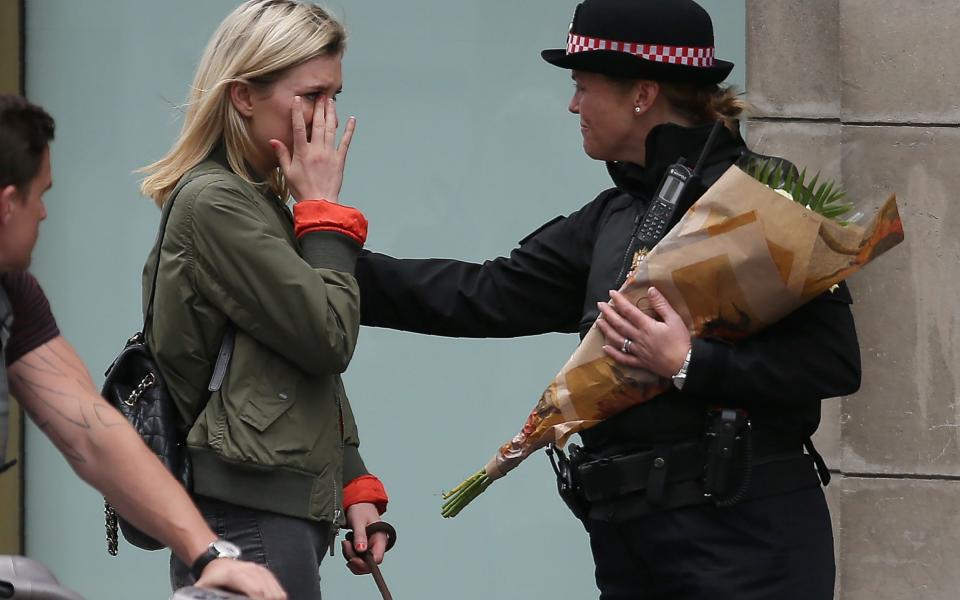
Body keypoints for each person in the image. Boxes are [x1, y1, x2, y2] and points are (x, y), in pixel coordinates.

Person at [353, 0, 861, 598]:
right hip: (628, 543)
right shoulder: (615, 214)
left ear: (641, 94)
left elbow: (834, 362)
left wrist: (689, 364)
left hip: (745, 543)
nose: (573, 105)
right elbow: (482, 293)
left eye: (583, 86)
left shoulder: (761, 200)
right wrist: (317, 261)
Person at [137, 1, 391, 597]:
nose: (327, 118)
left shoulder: (257, 201)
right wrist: (323, 214)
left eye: (335, 96)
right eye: (311, 96)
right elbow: (328, 335)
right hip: (244, 515)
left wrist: (351, 483)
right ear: (244, 95)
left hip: (272, 508)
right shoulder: (216, 203)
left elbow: (292, 365)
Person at [0, 95, 286, 599]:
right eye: (39, 195)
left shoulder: (13, 296)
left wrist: (209, 553)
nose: (45, 213)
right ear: (6, 205)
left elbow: (92, 430)